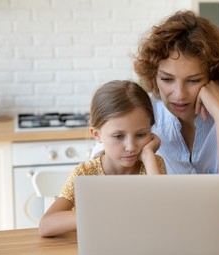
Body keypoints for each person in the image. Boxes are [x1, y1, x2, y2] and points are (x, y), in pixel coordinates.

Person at [93, 10, 219, 224]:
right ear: (154, 75)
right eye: (167, 79)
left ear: (213, 77)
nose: (179, 95)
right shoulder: (147, 106)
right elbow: (97, 169)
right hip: (191, 211)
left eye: (193, 80)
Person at [38, 80, 167, 237]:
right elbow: (45, 225)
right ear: (97, 135)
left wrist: (148, 155)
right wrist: (101, 216)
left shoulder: (153, 164)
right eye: (119, 136)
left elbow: (163, 214)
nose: (131, 146)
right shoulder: (85, 173)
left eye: (141, 135)